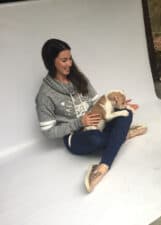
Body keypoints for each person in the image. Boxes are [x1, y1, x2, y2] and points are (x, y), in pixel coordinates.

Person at [35, 39, 147, 193]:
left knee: (126, 113)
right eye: (64, 60)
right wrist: (79, 122)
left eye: (70, 59)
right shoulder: (45, 95)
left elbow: (97, 102)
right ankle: (121, 135)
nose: (69, 64)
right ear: (51, 61)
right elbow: (48, 131)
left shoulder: (78, 78)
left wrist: (117, 104)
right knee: (95, 139)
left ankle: (102, 166)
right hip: (77, 136)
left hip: (100, 122)